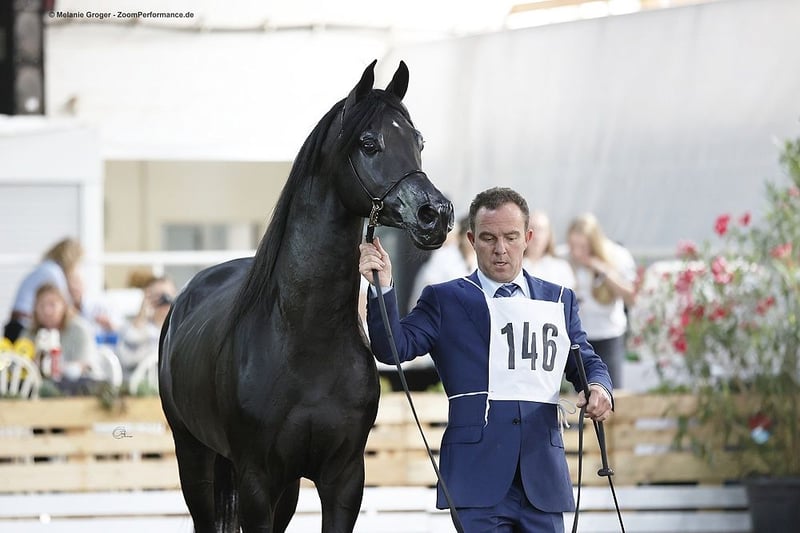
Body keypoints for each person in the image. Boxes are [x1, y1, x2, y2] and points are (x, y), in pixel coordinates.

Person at [359, 187, 613, 533]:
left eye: (511, 237)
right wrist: (383, 286)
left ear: (528, 238)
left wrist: (599, 388)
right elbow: (393, 349)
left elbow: (585, 360)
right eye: (489, 238)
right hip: (476, 477)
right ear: (471, 240)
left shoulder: (558, 299)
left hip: (542, 477)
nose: (500, 249)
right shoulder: (444, 299)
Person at [566, 213, 637, 388]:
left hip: (608, 335)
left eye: (583, 247)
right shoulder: (566, 258)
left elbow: (631, 296)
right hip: (580, 337)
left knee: (610, 390)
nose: (577, 252)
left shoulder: (616, 255)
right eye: (573, 246)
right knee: (582, 391)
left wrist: (601, 269)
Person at [23, 283, 102, 395]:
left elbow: (85, 365)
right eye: (41, 305)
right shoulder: (29, 333)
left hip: (80, 391)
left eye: (52, 305)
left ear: (64, 306)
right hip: (36, 391)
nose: (47, 311)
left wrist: (64, 368)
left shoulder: (79, 330)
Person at [3, 238, 84, 342]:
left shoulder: (46, 267)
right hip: (22, 327)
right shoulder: (53, 271)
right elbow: (65, 304)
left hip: (15, 324)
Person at [116, 276, 176, 380]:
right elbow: (126, 359)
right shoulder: (138, 328)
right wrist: (141, 317)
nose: (165, 301)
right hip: (145, 384)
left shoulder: (180, 329)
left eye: (168, 296)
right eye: (158, 296)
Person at [523, 210, 575, 288]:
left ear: (549, 235)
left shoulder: (562, 268)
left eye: (541, 230)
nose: (536, 236)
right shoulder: (515, 267)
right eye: (531, 229)